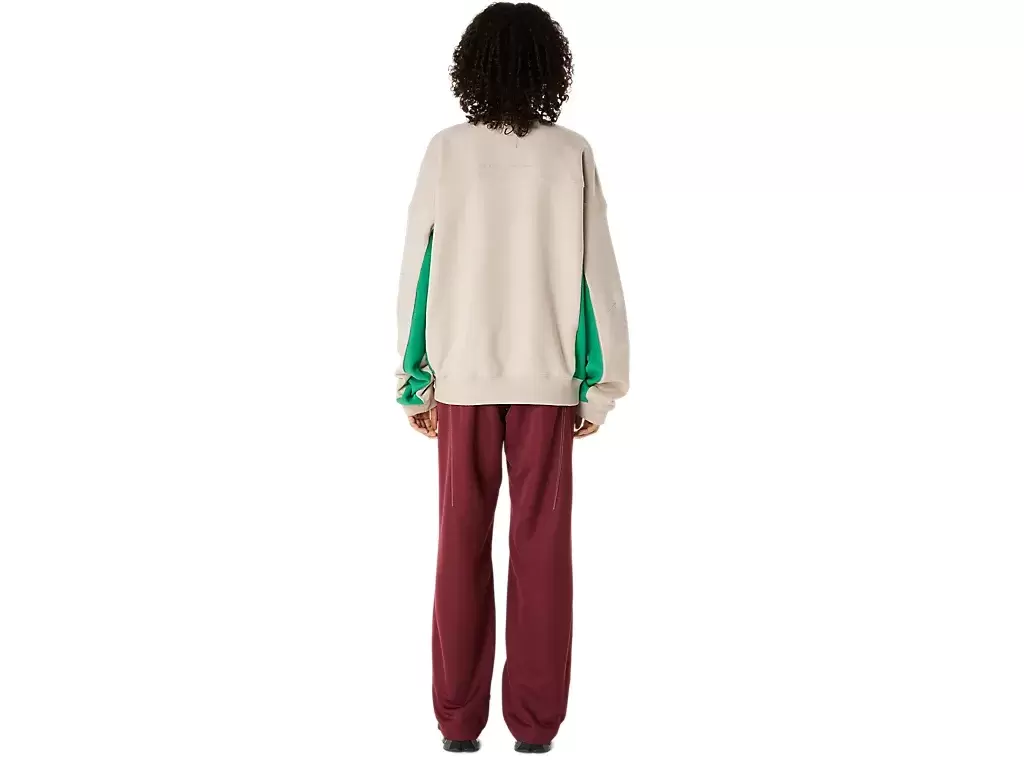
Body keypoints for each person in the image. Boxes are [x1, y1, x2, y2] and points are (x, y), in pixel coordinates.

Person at [394, 2, 629, 754]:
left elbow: (419, 269)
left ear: (472, 67)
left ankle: (458, 725)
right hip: (547, 384)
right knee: (542, 551)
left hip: (461, 380)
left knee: (458, 545)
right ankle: (535, 729)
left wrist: (413, 377)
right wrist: (601, 386)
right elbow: (598, 277)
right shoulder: (570, 153)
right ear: (549, 69)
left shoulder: (447, 151)